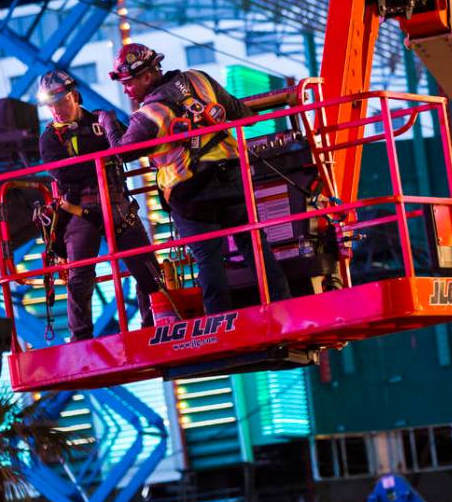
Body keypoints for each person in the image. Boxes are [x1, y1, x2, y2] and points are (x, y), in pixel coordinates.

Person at [100, 43, 291, 315]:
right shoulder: (197, 79)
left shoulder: (150, 116)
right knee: (255, 247)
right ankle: (283, 308)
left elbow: (122, 153)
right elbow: (243, 115)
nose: (126, 90)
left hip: (191, 196)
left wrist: (108, 122)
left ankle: (221, 326)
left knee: (209, 262)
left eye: (128, 83)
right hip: (234, 180)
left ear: (146, 77)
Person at [37, 69, 161, 341]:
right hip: (80, 212)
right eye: (51, 105)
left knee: (148, 270)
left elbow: (131, 145)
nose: (56, 110)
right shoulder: (50, 138)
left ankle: (152, 328)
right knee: (80, 277)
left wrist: (112, 129)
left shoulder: (100, 121)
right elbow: (66, 174)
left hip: (118, 206)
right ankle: (81, 338)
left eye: (60, 102)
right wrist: (105, 154)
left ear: (74, 96)